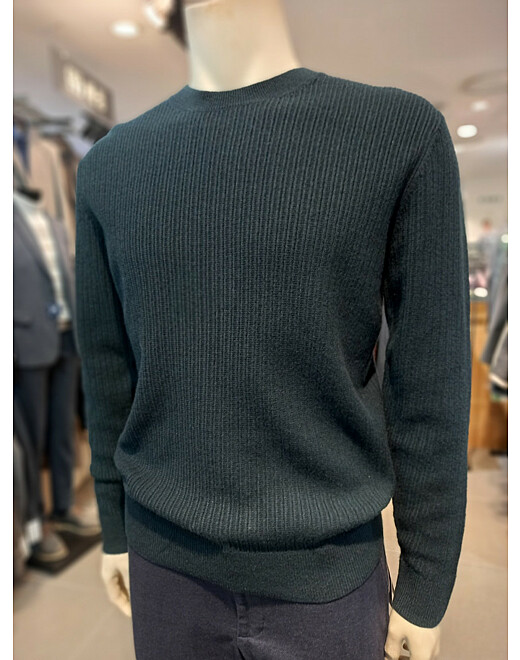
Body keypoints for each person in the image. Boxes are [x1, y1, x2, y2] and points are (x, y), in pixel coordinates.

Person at [74, 1, 471, 658]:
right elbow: (107, 367)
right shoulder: (108, 167)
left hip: (330, 578)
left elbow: (431, 381)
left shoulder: (399, 135)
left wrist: (427, 580)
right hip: (163, 568)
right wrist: (113, 525)